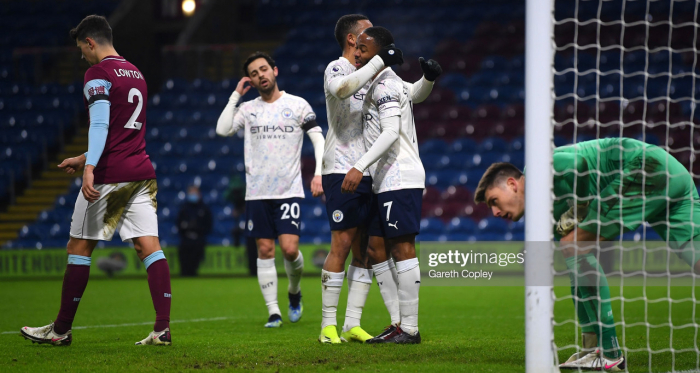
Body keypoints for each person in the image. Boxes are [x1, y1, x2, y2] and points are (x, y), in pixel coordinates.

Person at [473, 137, 700, 370]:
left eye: (494, 201)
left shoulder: (538, 169)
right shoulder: (546, 212)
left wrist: (581, 206)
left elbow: (579, 163)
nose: (495, 212)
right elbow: (578, 267)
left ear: (512, 184)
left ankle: (610, 352)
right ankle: (592, 347)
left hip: (642, 167)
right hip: (673, 174)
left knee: (573, 245)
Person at [20, 15, 172, 346]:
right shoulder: (136, 73)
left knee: (78, 247)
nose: (82, 57)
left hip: (111, 176)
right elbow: (123, 129)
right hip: (142, 173)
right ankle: (162, 329)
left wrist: (90, 167)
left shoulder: (97, 74)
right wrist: (83, 157)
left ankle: (60, 331)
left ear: (90, 42)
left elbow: (102, 125)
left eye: (81, 49)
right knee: (150, 247)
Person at [318, 14, 441, 344]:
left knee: (371, 250)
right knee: (350, 245)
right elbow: (343, 90)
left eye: (369, 43)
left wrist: (427, 78)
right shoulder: (339, 69)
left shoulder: (381, 79)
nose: (362, 47)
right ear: (352, 40)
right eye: (362, 38)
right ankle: (330, 325)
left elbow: (410, 93)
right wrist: (381, 61)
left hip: (375, 172)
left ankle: (366, 324)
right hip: (345, 168)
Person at [216, 52, 325, 328]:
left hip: (288, 190)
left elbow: (317, 137)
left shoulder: (297, 105)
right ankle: (274, 312)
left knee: (289, 250)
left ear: (275, 71)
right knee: (264, 250)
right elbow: (222, 130)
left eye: (264, 69)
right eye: (253, 73)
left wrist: (320, 173)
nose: (260, 75)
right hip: (257, 193)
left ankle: (294, 291)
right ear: (250, 81)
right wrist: (235, 96)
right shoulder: (249, 109)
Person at [177, 185, 212, 277]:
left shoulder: (204, 208)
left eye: (194, 193)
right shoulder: (184, 208)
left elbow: (208, 224)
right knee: (184, 266)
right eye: (191, 193)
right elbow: (178, 223)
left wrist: (198, 229)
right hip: (186, 240)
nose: (193, 195)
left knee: (195, 265)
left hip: (199, 240)